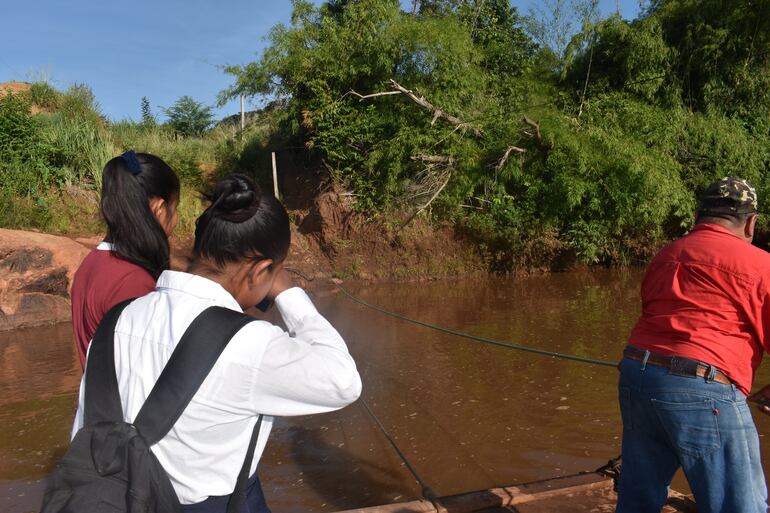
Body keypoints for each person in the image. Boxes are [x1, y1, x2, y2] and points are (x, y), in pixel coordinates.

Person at [71, 173, 362, 512]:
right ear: (260, 271)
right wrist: (289, 294)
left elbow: (84, 428)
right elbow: (343, 382)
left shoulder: (116, 320)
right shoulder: (249, 343)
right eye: (274, 273)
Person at [616, 176, 769, 513]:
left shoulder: (667, 254)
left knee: (637, 497)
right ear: (751, 222)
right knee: (739, 505)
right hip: (703, 389)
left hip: (636, 376)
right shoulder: (759, 263)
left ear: (700, 216)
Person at [70, 150, 179, 368]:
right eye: (175, 209)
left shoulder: (92, 263)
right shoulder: (132, 280)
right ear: (158, 209)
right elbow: (144, 370)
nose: (175, 220)